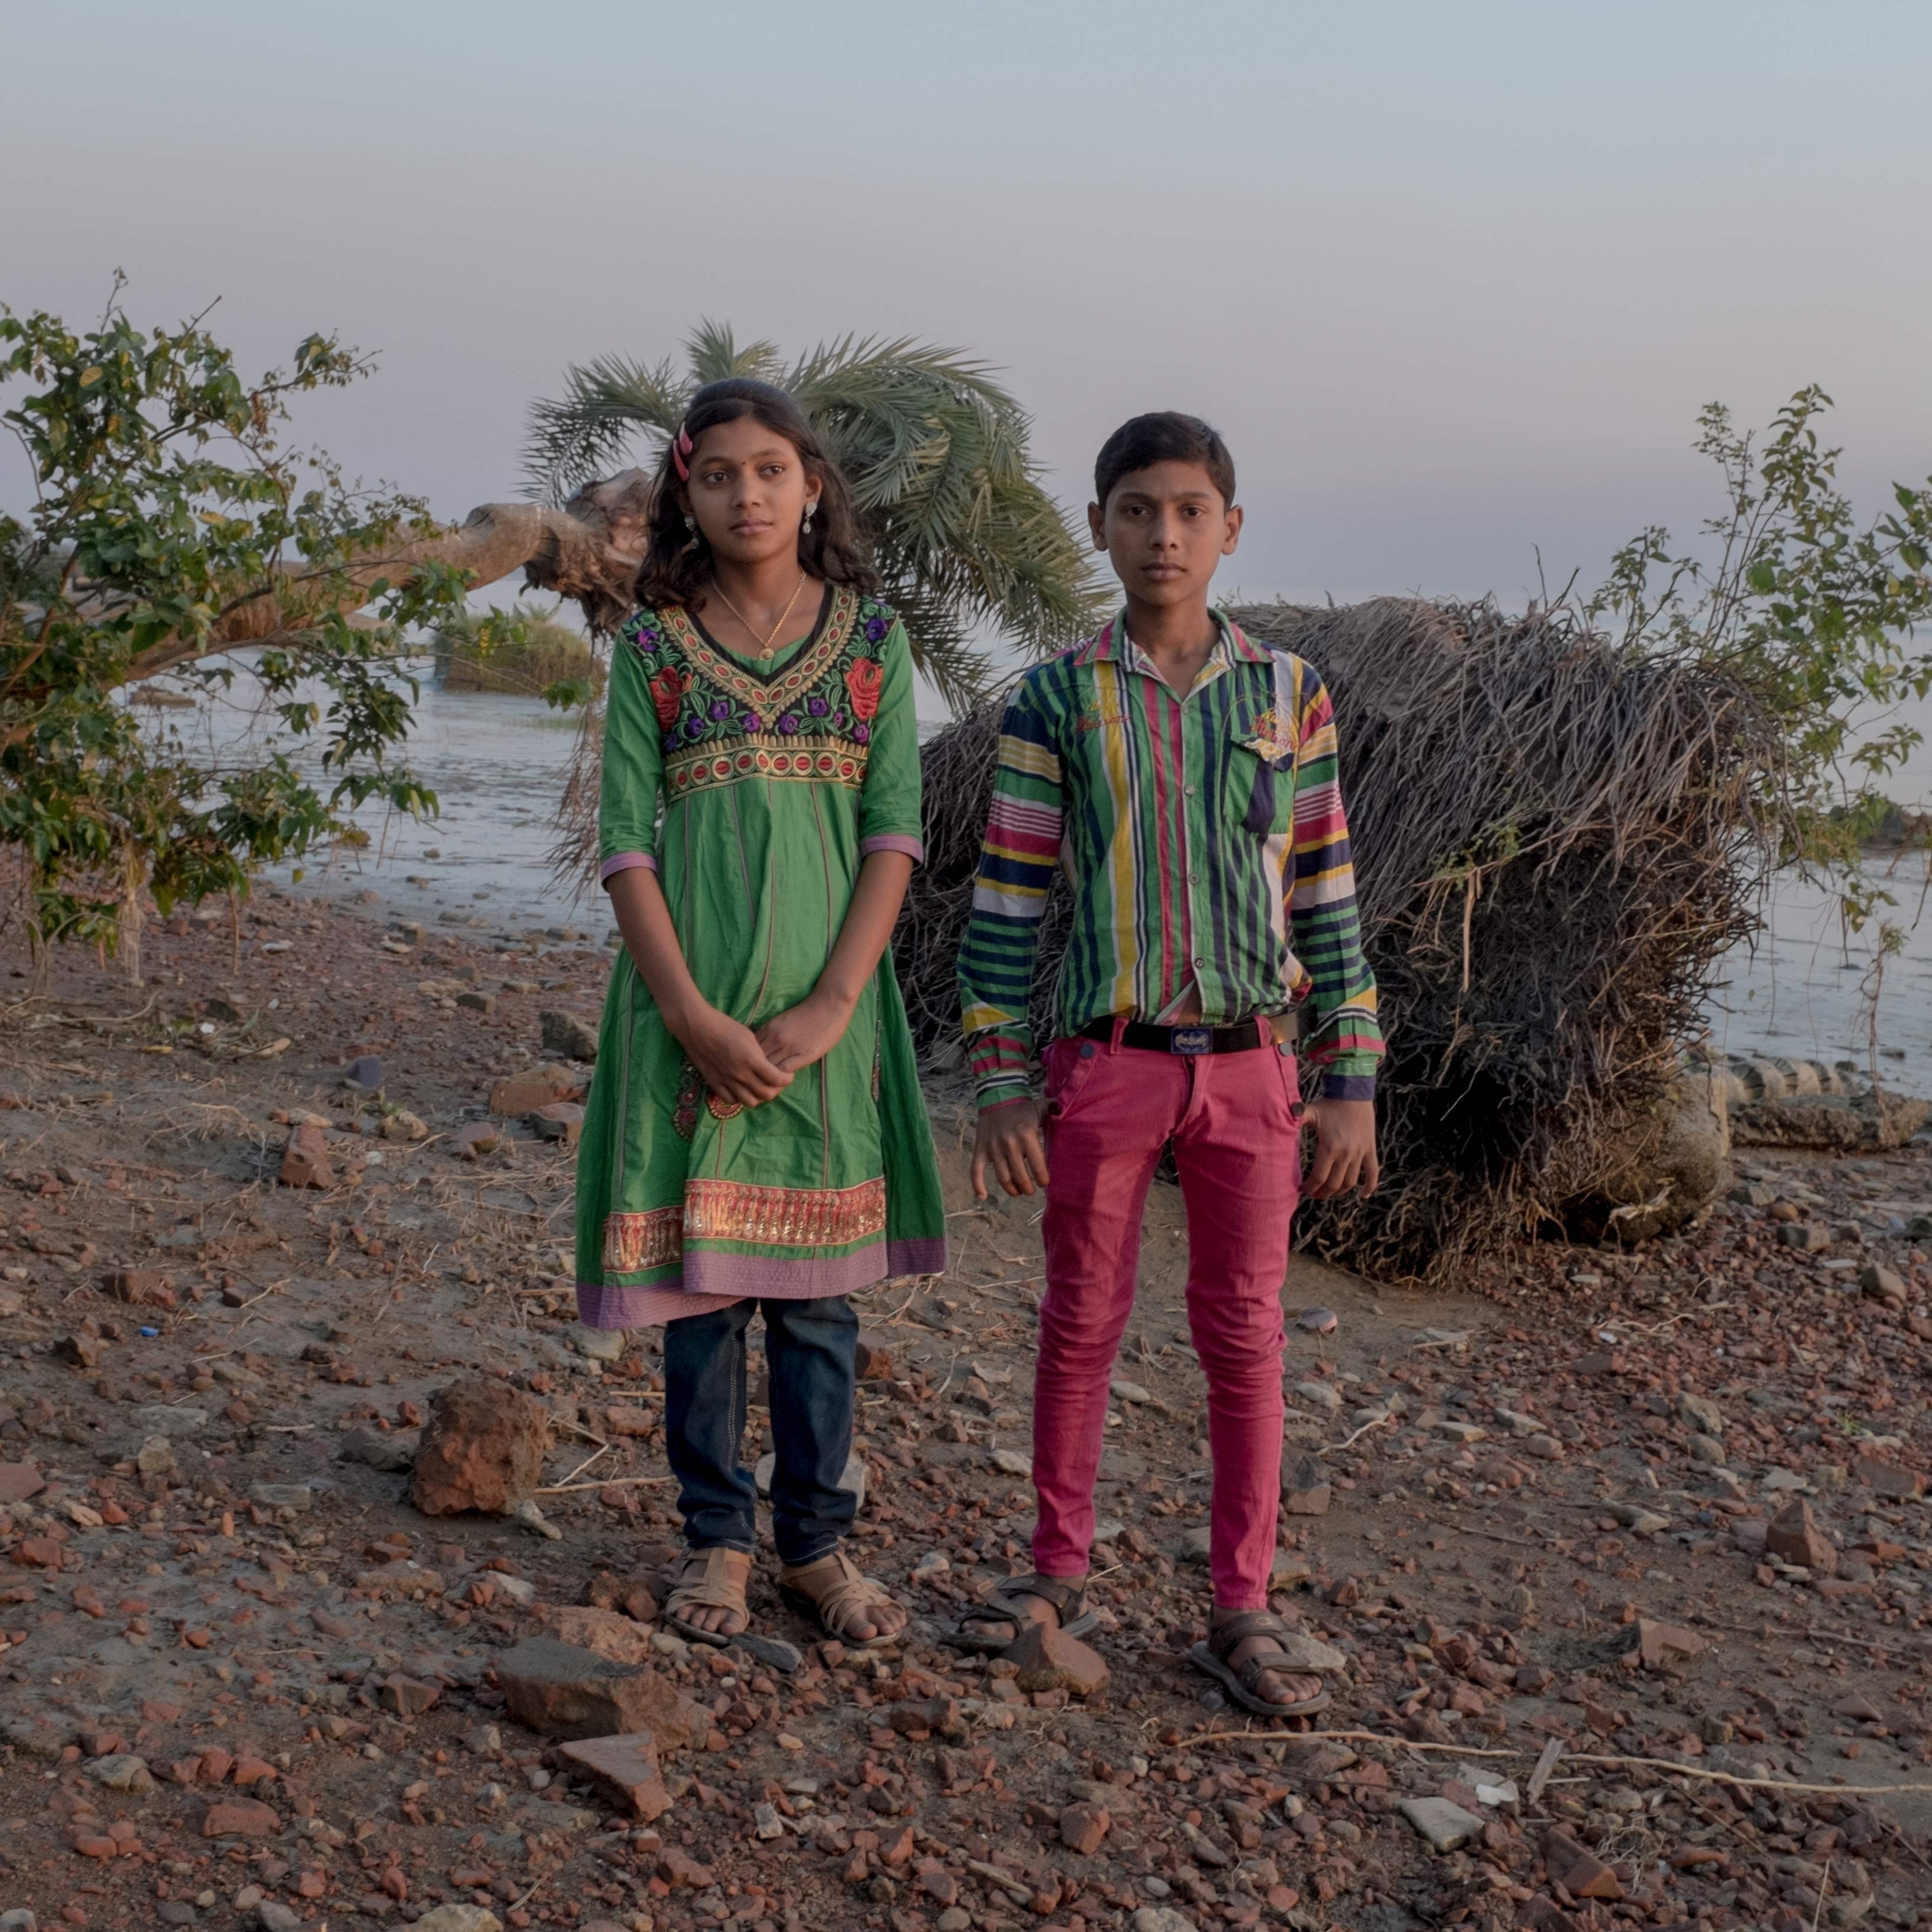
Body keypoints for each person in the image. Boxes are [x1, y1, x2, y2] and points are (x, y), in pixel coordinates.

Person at [953, 411, 1382, 1714]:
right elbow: (1009, 904)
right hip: (1108, 1063)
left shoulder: (1285, 693)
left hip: (1254, 1066)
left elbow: (1326, 894)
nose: (1164, 534)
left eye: (1191, 511)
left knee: (1245, 1333)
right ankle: (1054, 1573)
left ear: (1230, 529)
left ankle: (1241, 1607)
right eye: (1138, 509)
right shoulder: (1054, 697)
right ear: (1100, 526)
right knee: (1080, 1318)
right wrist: (1000, 1083)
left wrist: (1351, 1080)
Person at [575, 377, 947, 1649]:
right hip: (688, 1013)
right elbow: (626, 845)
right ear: (689, 487)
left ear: (812, 485)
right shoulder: (654, 651)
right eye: (720, 473)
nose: (747, 494)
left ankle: (818, 1549)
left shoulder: (874, 646)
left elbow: (894, 829)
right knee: (699, 1295)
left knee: (817, 1303)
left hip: (825, 1025)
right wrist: (686, 1014)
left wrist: (837, 999)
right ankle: (717, 1543)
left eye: (771, 470)